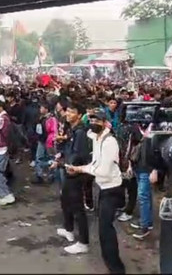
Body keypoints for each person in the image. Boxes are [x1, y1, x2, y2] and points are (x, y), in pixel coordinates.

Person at [67, 109, 126, 273]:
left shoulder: (110, 142)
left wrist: (83, 170)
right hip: (103, 188)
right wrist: (78, 169)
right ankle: (111, 264)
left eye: (97, 120)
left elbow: (103, 171)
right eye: (91, 120)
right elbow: (95, 164)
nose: (94, 123)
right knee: (104, 229)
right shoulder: (95, 139)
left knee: (105, 229)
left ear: (105, 123)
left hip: (112, 189)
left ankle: (116, 268)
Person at [53, 102, 91, 255]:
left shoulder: (81, 132)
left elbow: (78, 155)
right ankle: (68, 229)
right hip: (68, 170)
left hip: (75, 173)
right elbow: (69, 149)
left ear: (80, 115)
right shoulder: (73, 130)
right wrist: (60, 155)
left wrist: (64, 163)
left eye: (72, 112)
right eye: (67, 111)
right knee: (65, 200)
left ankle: (83, 242)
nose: (67, 114)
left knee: (77, 207)